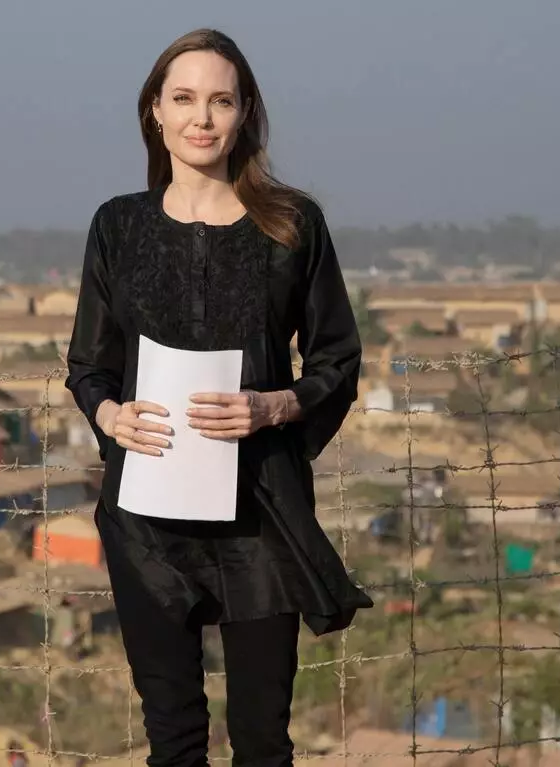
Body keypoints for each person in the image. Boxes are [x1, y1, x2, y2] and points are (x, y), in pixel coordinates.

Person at [65, 28, 373, 766]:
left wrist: (275, 406)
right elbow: (89, 366)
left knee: (264, 742)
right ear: (154, 113)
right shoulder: (117, 226)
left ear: (244, 115)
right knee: (173, 742)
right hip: (146, 518)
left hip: (260, 518)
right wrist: (111, 415)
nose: (201, 117)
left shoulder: (293, 224)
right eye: (184, 98)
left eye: (220, 100)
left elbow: (337, 357)